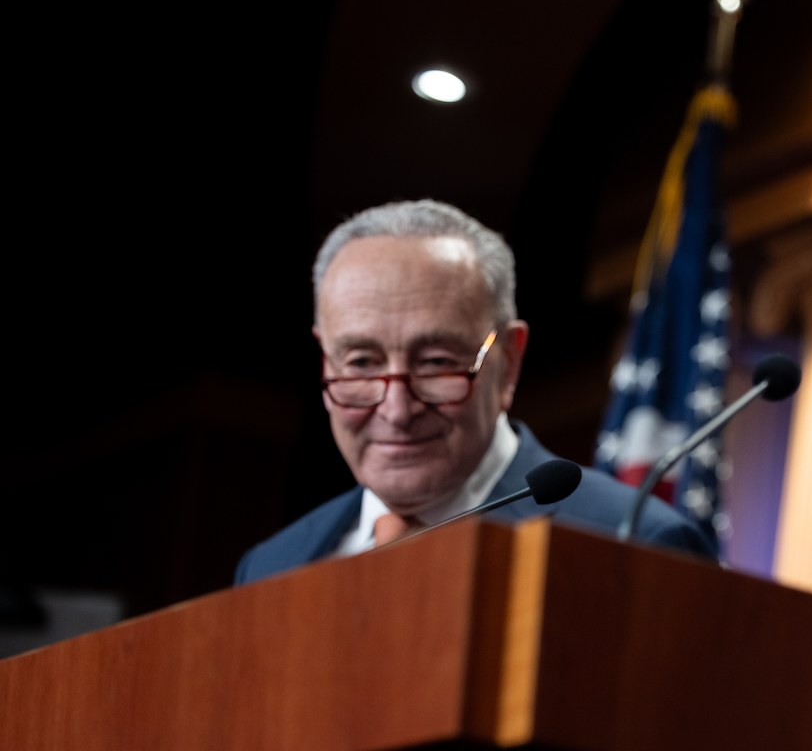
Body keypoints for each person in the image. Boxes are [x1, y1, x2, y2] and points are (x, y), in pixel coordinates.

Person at [236, 200, 711, 584]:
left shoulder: (634, 542)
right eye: (361, 362)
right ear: (325, 359)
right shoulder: (272, 566)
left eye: (437, 362)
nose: (397, 410)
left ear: (509, 361)